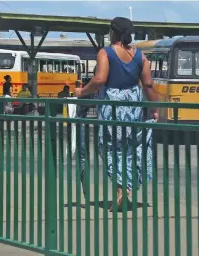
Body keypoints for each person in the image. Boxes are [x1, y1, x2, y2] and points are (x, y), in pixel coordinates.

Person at [74, 17, 159, 211]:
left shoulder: (106, 52)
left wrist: (82, 91)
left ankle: (122, 186)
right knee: (131, 146)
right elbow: (148, 85)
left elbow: (99, 79)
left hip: (112, 106)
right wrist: (155, 108)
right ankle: (127, 184)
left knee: (110, 147)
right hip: (134, 107)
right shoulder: (140, 56)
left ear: (113, 32)